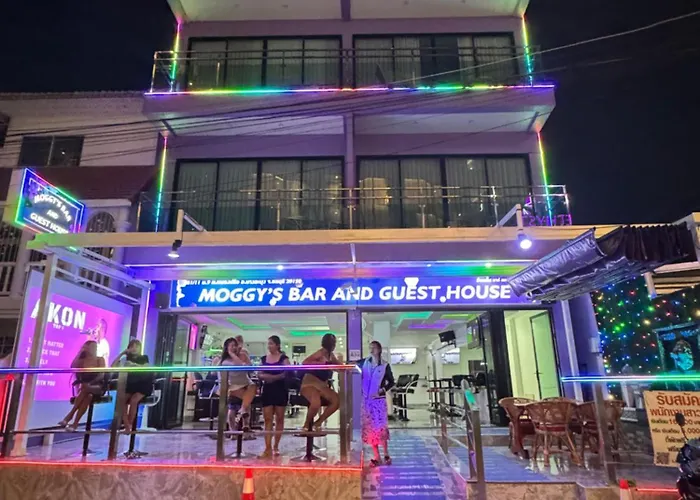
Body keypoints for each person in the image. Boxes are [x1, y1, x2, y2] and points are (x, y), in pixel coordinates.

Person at [58, 340, 107, 431]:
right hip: (85, 388)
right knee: (88, 396)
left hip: (97, 386)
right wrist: (80, 352)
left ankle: (69, 416)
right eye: (92, 347)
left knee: (86, 389)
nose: (95, 349)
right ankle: (75, 424)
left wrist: (90, 384)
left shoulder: (100, 359)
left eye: (95, 347)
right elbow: (73, 367)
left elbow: (101, 375)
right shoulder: (82, 360)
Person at [360, 341, 394, 467]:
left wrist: (382, 390)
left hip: (378, 400)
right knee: (370, 429)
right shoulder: (364, 363)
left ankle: (386, 454)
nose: (371, 350)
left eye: (373, 348)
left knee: (381, 428)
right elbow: (351, 366)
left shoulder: (384, 365)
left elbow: (391, 382)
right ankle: (377, 456)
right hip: (366, 401)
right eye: (370, 347)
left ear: (379, 350)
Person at [300, 333, 340, 432]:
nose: (334, 345)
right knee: (315, 403)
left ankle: (318, 423)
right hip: (310, 383)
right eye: (332, 343)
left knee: (337, 401)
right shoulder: (320, 353)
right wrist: (321, 364)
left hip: (322, 385)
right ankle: (306, 425)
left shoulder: (331, 355)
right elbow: (305, 363)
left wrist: (348, 366)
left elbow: (339, 365)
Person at [258, 335, 290, 458]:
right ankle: (267, 447)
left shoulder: (284, 358)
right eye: (268, 343)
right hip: (267, 390)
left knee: (279, 418)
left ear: (277, 345)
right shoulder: (263, 359)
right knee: (267, 419)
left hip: (280, 390)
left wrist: (272, 377)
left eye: (271, 343)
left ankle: (276, 446)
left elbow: (287, 373)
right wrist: (273, 377)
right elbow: (260, 374)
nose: (269, 346)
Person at [112, 339, 153, 433]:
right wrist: (122, 353)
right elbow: (113, 366)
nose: (134, 348)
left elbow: (146, 368)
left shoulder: (144, 357)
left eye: (136, 346)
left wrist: (132, 365)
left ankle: (130, 424)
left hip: (143, 383)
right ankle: (126, 424)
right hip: (131, 384)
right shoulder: (125, 359)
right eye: (132, 346)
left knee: (134, 400)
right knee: (122, 400)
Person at [219, 337, 257, 432]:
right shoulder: (225, 361)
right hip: (233, 386)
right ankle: (234, 430)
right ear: (227, 347)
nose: (234, 347)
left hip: (246, 384)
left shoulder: (242, 355)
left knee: (251, 390)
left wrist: (243, 358)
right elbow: (239, 366)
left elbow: (249, 369)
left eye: (235, 345)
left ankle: (243, 416)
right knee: (234, 407)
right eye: (232, 346)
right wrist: (232, 354)